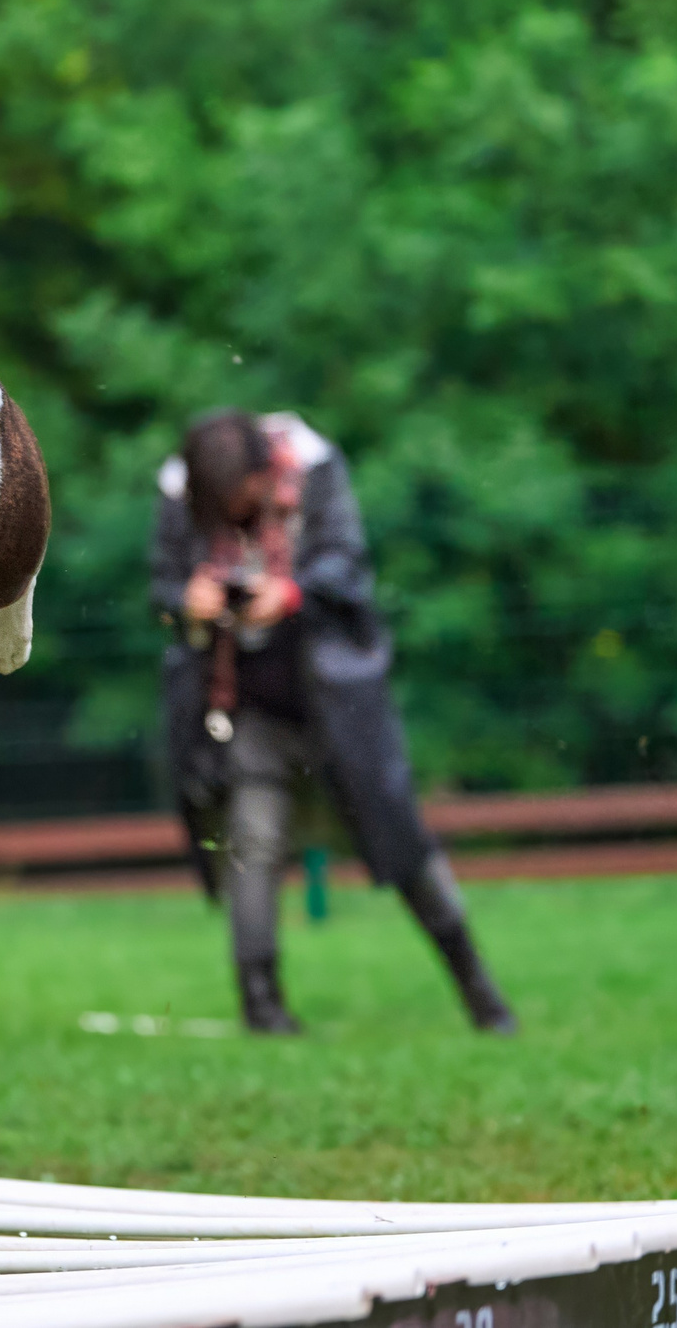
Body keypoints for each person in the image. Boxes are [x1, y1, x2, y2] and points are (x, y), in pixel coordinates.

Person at [149, 409, 517, 1036]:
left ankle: (482, 996)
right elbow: (161, 586)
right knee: (253, 842)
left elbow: (348, 566)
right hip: (242, 701)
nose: (237, 508)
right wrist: (186, 600)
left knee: (400, 840)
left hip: (338, 698)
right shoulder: (180, 491)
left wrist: (292, 595)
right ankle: (262, 1008)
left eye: (244, 494)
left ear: (264, 473)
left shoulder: (315, 472)